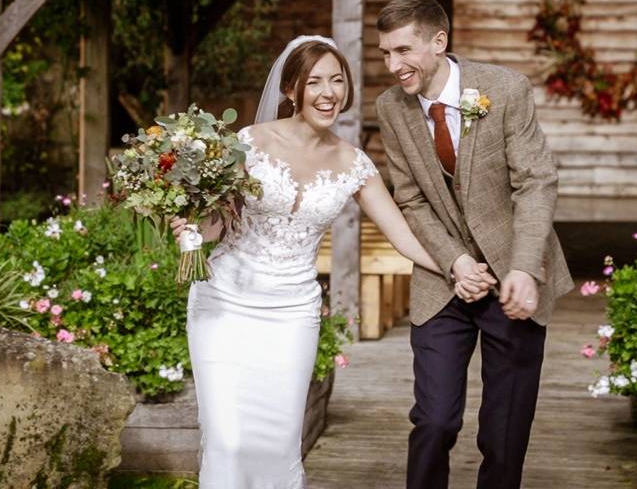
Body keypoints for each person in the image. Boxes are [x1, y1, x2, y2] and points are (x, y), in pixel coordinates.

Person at [170, 35, 442, 489]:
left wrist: (458, 266)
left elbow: (402, 234)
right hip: (225, 303)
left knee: (279, 443)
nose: (328, 92)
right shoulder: (249, 143)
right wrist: (190, 228)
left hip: (293, 313)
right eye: (314, 81)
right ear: (292, 89)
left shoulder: (353, 163)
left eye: (337, 80)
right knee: (229, 439)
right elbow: (218, 224)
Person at [374, 0, 574, 489]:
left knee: (504, 431)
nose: (393, 65)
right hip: (445, 280)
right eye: (385, 53)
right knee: (435, 420)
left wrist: (525, 268)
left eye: (403, 51)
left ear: (439, 42)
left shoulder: (506, 89)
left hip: (514, 274)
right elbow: (412, 199)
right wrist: (456, 261)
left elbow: (536, 181)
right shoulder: (390, 109)